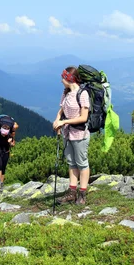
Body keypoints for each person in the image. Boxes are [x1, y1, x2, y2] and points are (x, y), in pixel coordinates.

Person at [53, 66, 90, 205]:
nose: (61, 80)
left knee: (82, 163)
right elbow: (61, 111)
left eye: (63, 78)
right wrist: (57, 121)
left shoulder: (83, 94)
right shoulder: (66, 93)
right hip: (67, 134)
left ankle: (82, 193)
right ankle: (72, 192)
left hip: (80, 134)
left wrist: (64, 121)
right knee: (72, 163)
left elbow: (83, 118)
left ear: (69, 78)